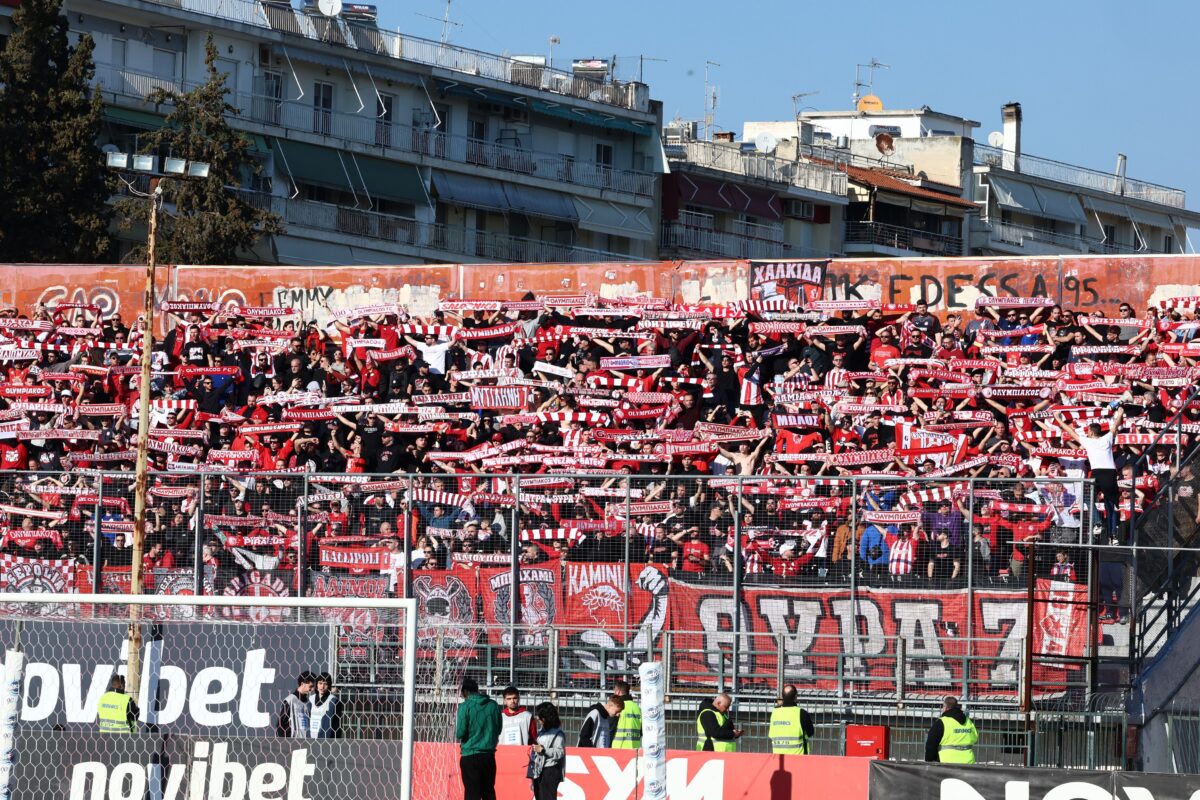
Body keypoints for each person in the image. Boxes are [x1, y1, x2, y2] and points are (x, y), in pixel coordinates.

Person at [455, 677, 502, 800]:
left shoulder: (465, 706)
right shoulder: (493, 705)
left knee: (472, 793)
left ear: (465, 692)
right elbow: (499, 729)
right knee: (488, 792)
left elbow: (460, 733)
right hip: (488, 756)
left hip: (470, 755)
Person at [924, 696, 979, 764]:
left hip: (947, 763)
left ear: (945, 707)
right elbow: (975, 738)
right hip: (968, 762)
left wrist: (929, 761)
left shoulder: (942, 722)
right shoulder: (968, 721)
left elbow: (931, 744)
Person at [529, 702, 566, 800]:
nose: (537, 718)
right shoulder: (542, 731)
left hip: (550, 770)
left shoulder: (558, 733)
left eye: (540, 716)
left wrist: (543, 750)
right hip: (538, 769)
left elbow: (560, 752)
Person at [768, 684, 814, 754]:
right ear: (795, 697)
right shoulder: (801, 713)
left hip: (779, 760)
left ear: (782, 697)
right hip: (798, 759)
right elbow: (810, 733)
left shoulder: (774, 712)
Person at [276, 672, 315, 738]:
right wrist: (287, 741)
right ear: (302, 684)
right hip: (292, 743)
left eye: (313, 687)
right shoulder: (290, 700)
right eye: (310, 686)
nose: (312, 689)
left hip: (306, 742)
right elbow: (280, 724)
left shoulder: (308, 703)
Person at [610, 679, 642, 750]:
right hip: (634, 750)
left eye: (614, 691)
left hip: (618, 749)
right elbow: (641, 731)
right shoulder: (637, 708)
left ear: (618, 692)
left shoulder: (617, 707)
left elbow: (610, 728)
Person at [309, 671, 341, 739]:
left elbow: (336, 725)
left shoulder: (334, 701)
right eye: (320, 683)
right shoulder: (310, 699)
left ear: (329, 686)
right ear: (316, 684)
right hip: (310, 738)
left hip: (325, 740)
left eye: (325, 684)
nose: (322, 686)